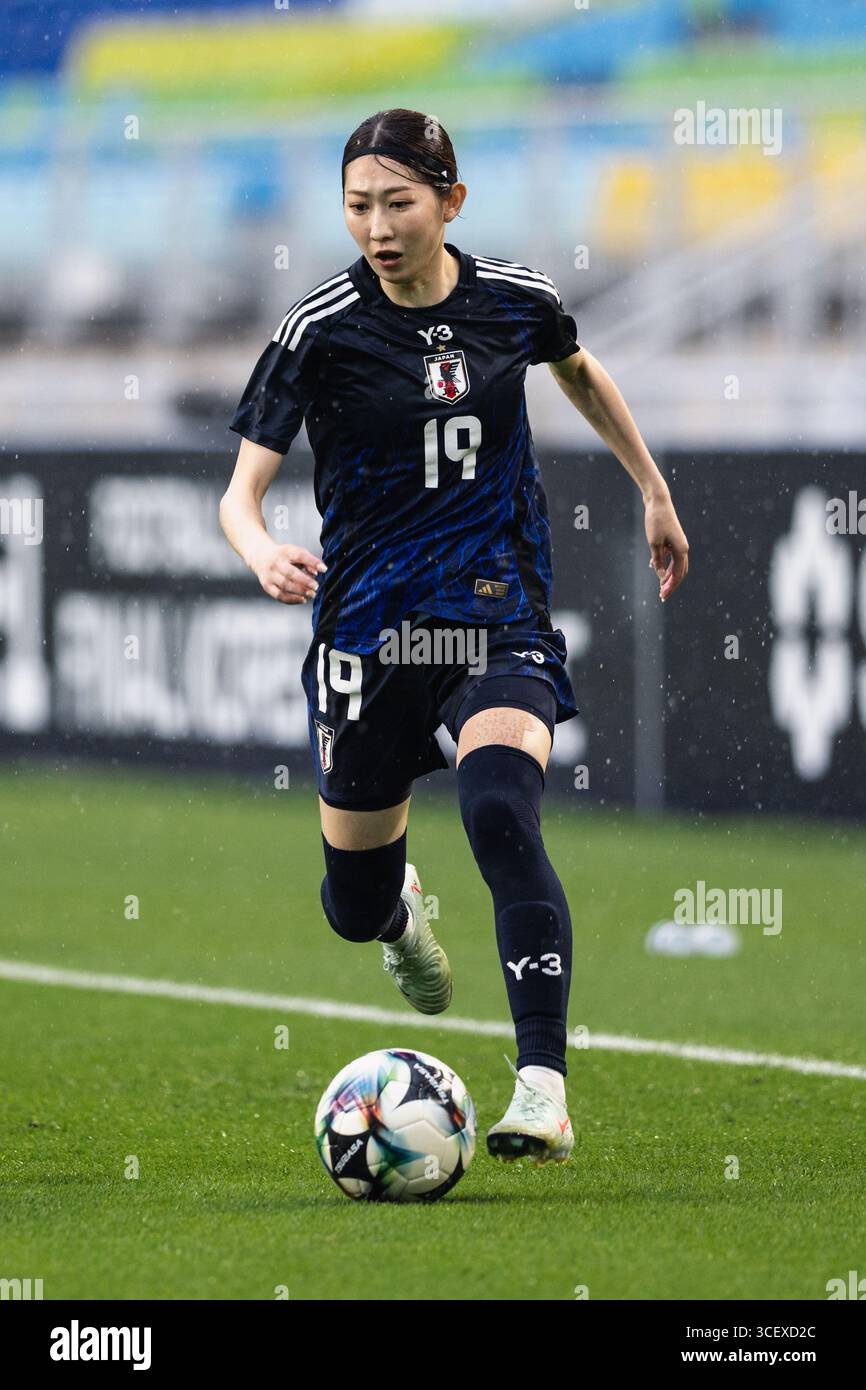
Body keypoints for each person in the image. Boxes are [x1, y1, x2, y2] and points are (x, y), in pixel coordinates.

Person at [220, 108, 689, 1167]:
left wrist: (651, 491)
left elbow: (577, 367)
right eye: (356, 207)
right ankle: (401, 918)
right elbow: (240, 493)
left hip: (493, 611)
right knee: (351, 906)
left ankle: (541, 1086)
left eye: (397, 203)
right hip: (367, 637)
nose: (376, 227)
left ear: (449, 202)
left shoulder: (513, 301)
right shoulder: (320, 327)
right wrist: (258, 550)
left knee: (498, 808)